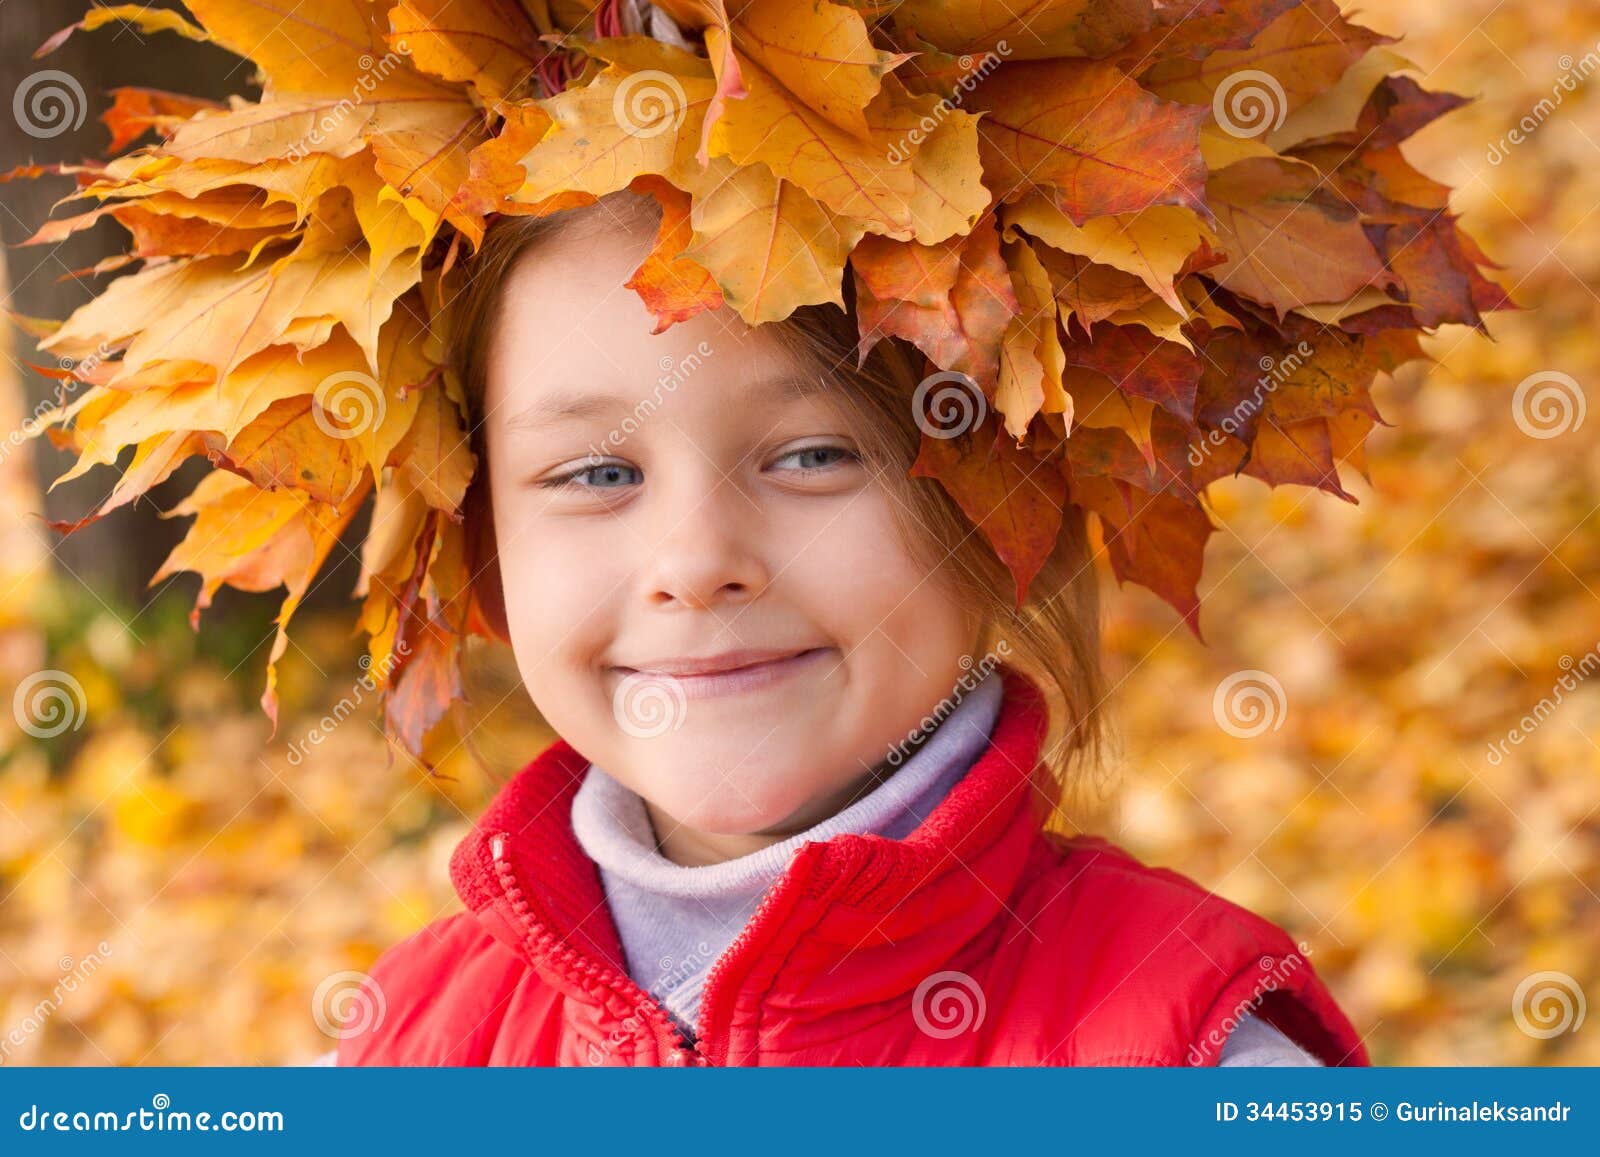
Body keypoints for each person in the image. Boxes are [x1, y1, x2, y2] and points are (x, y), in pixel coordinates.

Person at [328, 191, 1358, 1066]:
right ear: (485, 553)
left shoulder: (1182, 1041)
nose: (695, 562)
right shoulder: (403, 1043)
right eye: (598, 474)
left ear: (1003, 513)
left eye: (814, 454)